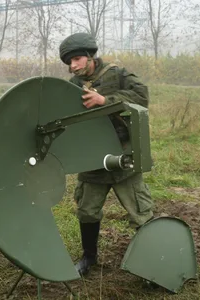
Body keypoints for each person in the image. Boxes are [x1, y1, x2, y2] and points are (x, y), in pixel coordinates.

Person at [59, 32, 154, 276]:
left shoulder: (117, 74)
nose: (73, 66)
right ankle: (89, 259)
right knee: (87, 211)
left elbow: (142, 97)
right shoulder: (71, 87)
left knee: (140, 213)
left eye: (77, 59)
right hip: (92, 157)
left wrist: (106, 100)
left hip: (124, 156)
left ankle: (152, 262)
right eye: (69, 62)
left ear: (90, 56)